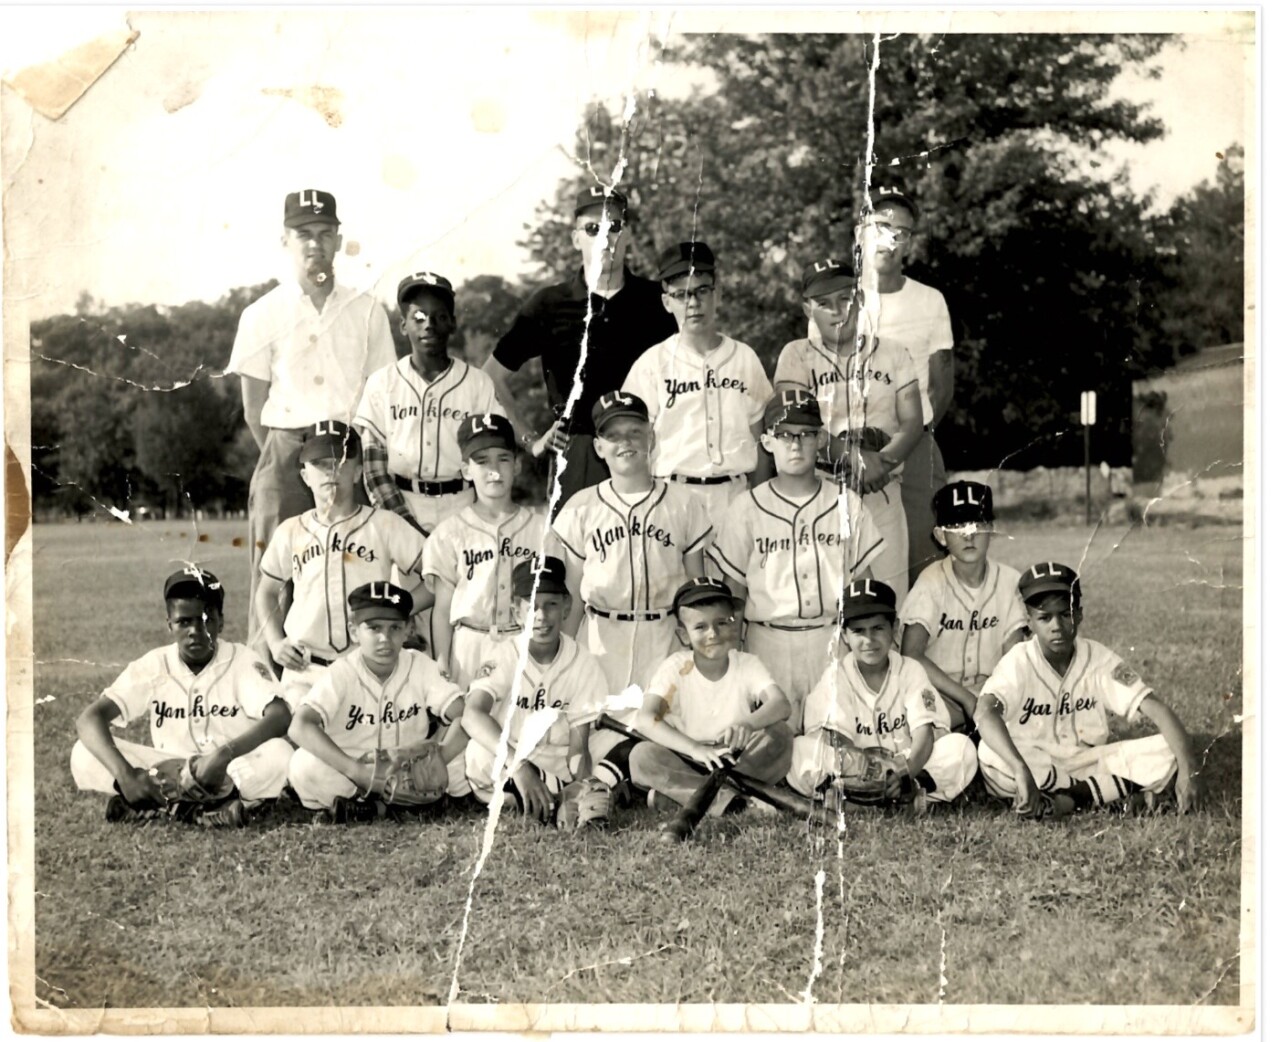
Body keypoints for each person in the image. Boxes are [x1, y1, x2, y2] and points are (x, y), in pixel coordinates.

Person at [226, 190, 397, 649]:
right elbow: (252, 406)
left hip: (348, 449)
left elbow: (379, 394)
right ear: (285, 239)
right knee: (274, 575)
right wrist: (294, 458)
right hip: (285, 449)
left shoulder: (367, 309)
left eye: (324, 233)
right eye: (303, 234)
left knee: (354, 569)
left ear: (339, 240)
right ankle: (266, 692)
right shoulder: (261, 313)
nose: (314, 244)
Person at [483, 185, 676, 514]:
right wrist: (531, 441)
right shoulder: (549, 304)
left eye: (614, 227)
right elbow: (491, 376)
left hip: (647, 448)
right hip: (578, 451)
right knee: (574, 560)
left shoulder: (657, 301)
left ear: (627, 234)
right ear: (576, 239)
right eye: (592, 229)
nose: (605, 238)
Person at [708, 389, 884, 731]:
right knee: (773, 744)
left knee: (834, 740)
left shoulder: (845, 503)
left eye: (805, 434)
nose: (795, 444)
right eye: (784, 435)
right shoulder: (745, 508)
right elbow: (734, 595)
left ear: (820, 439)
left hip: (830, 640)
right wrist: (732, 658)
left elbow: (866, 587)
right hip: (767, 641)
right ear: (766, 442)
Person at [974, 562, 1205, 818]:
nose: (1056, 626)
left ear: (1079, 614)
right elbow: (985, 713)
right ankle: (1106, 797)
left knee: (1167, 750)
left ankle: (1070, 800)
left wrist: (1189, 771)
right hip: (1034, 762)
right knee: (989, 752)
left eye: (1065, 614)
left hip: (1087, 762)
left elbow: (1155, 708)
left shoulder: (1098, 658)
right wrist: (1020, 768)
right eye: (1044, 617)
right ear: (1030, 622)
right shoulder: (1019, 660)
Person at [70, 567, 293, 826]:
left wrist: (222, 756)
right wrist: (126, 775)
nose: (195, 630)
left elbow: (280, 715)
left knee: (281, 753)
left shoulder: (242, 660)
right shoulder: (154, 664)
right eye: (184, 621)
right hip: (169, 773)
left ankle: (166, 809)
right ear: (170, 625)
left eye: (205, 619)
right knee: (82, 751)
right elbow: (89, 719)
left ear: (220, 621)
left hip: (230, 769)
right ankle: (209, 811)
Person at [774, 257, 922, 602]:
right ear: (807, 309)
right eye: (824, 303)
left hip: (881, 491)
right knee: (827, 605)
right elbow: (796, 422)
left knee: (887, 602)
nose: (837, 311)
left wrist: (881, 463)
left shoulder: (894, 352)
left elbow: (912, 421)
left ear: (861, 298)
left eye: (845, 298)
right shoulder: (795, 356)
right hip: (822, 490)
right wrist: (856, 459)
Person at [255, 421, 430, 705]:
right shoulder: (291, 530)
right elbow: (265, 591)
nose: (331, 472)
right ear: (304, 475)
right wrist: (275, 643)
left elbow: (438, 575)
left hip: (367, 665)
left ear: (359, 472)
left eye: (341, 462)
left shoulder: (384, 525)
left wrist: (398, 608)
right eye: (320, 464)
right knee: (304, 740)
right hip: (305, 670)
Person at [553, 390, 712, 695]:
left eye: (635, 433)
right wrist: (566, 657)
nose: (625, 442)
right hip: (601, 637)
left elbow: (697, 590)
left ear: (651, 438)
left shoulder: (683, 503)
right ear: (599, 447)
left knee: (661, 729)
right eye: (613, 436)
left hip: (665, 637)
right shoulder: (582, 506)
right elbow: (572, 592)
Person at [621, 240, 773, 538]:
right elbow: (634, 442)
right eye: (681, 295)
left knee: (735, 584)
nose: (693, 303)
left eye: (702, 291)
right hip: (673, 495)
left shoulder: (744, 357)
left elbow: (763, 442)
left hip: (736, 495)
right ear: (667, 302)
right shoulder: (651, 364)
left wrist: (762, 502)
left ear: (718, 294)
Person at [786, 579, 978, 812]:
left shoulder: (910, 670)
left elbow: (924, 734)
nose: (869, 640)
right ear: (844, 635)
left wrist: (905, 774)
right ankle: (862, 799)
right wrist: (867, 777)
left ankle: (910, 791)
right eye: (858, 631)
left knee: (960, 748)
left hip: (904, 766)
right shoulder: (836, 677)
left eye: (878, 628)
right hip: (855, 773)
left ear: (894, 628)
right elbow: (837, 740)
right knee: (799, 749)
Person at [287, 581, 471, 822]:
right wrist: (357, 772)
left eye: (395, 628)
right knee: (303, 765)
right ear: (354, 632)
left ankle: (372, 808)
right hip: (355, 768)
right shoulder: (342, 671)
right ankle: (390, 806)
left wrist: (440, 759)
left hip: (411, 766)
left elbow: (464, 713)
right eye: (374, 628)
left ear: (408, 631)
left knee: (469, 754)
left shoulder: (419, 665)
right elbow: (299, 726)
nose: (385, 638)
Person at [461, 557, 620, 819]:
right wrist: (519, 767)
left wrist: (581, 781)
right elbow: (473, 714)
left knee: (616, 739)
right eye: (532, 605)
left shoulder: (582, 661)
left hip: (558, 761)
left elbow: (578, 747)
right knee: (478, 755)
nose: (541, 616)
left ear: (566, 607)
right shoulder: (503, 654)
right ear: (515, 611)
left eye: (551, 605)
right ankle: (554, 797)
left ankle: (561, 796)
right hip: (512, 754)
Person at [354, 271, 503, 538]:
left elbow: (493, 457)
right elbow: (374, 469)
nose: (429, 324)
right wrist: (406, 527)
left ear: (453, 323)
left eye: (440, 316)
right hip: (400, 503)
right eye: (419, 317)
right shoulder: (382, 383)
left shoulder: (477, 383)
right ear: (403, 325)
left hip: (463, 503)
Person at [629, 577, 793, 818]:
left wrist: (748, 723)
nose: (713, 633)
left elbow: (781, 705)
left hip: (737, 758)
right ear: (683, 635)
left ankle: (687, 797)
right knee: (642, 757)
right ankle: (737, 802)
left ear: (734, 624)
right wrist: (695, 749)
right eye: (700, 627)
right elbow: (646, 719)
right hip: (689, 758)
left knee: (781, 735)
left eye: (722, 623)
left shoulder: (747, 663)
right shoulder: (675, 666)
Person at [857, 186, 956, 585]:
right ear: (863, 230)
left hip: (914, 448)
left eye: (902, 232)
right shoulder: (839, 301)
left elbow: (940, 386)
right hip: (851, 451)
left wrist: (904, 445)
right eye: (882, 227)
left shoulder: (930, 301)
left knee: (922, 566)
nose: (891, 240)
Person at [423, 414, 557, 686]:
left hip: (524, 642)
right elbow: (442, 609)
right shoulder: (449, 533)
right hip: (471, 644)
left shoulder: (541, 529)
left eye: (503, 459)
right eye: (481, 461)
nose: (494, 469)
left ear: (517, 465)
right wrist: (441, 660)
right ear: (466, 470)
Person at [899, 480, 1028, 734]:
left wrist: (988, 701)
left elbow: (1014, 657)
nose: (968, 535)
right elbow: (911, 654)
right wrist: (967, 700)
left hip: (993, 693)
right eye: (957, 526)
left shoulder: (1010, 581)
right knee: (922, 732)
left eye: (977, 525)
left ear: (991, 529)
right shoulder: (931, 582)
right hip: (940, 693)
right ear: (940, 536)